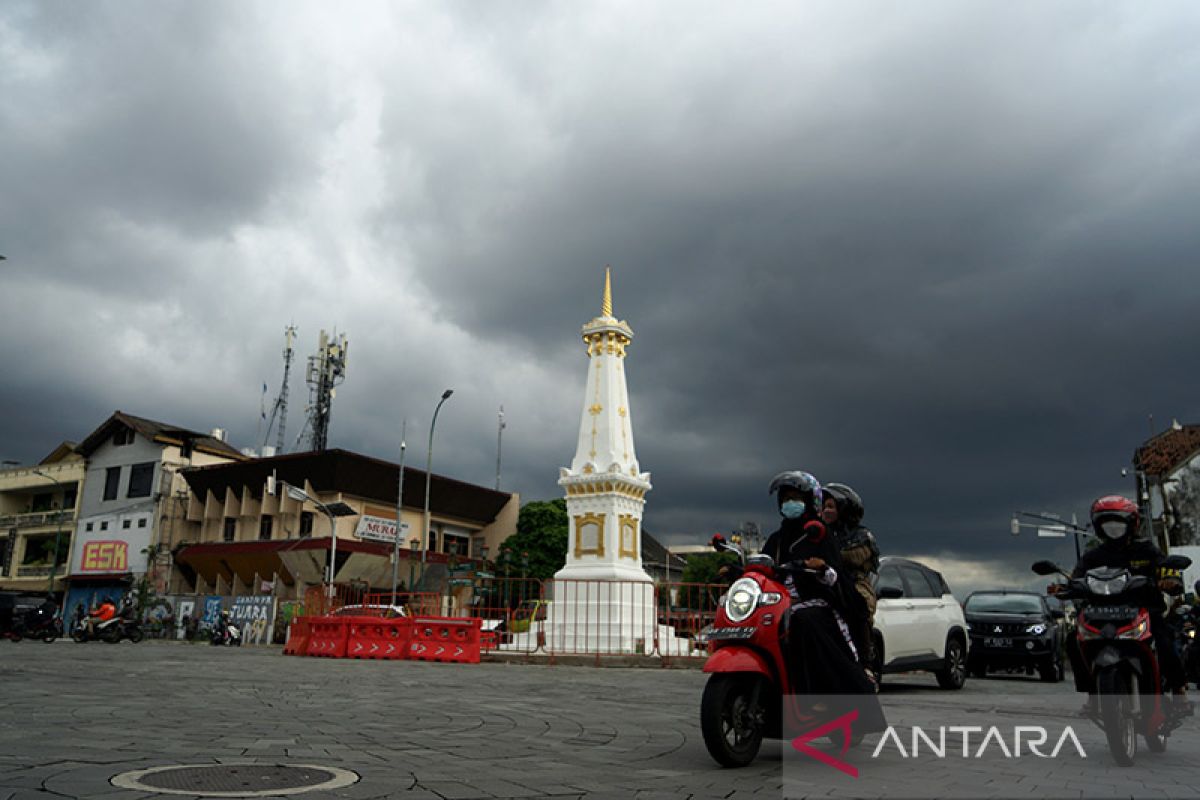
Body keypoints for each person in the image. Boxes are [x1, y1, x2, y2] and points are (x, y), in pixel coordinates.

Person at [761, 471, 886, 732]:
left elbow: (836, 574)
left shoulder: (820, 535)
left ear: (808, 502)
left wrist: (821, 569)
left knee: (803, 622)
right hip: (779, 603)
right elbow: (764, 566)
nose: (789, 503)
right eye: (785, 498)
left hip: (817, 602)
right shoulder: (776, 538)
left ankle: (815, 697)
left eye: (796, 498)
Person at [1053, 495, 1189, 712]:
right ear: (1099, 527)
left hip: (1143, 611)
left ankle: (1179, 691)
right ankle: (1092, 693)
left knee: (1164, 638)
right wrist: (1065, 589)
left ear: (1131, 524)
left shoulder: (1146, 550)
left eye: (1118, 523)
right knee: (1073, 639)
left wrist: (1170, 580)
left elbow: (1165, 567)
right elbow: (1077, 577)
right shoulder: (1093, 556)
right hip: (1101, 613)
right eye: (1108, 524)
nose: (1113, 529)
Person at [821, 482, 879, 673]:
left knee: (860, 605)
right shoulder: (815, 532)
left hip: (853, 583)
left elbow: (852, 558)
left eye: (830, 506)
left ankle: (865, 664)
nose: (825, 511)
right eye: (823, 506)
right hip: (821, 582)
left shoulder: (862, 536)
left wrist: (824, 556)